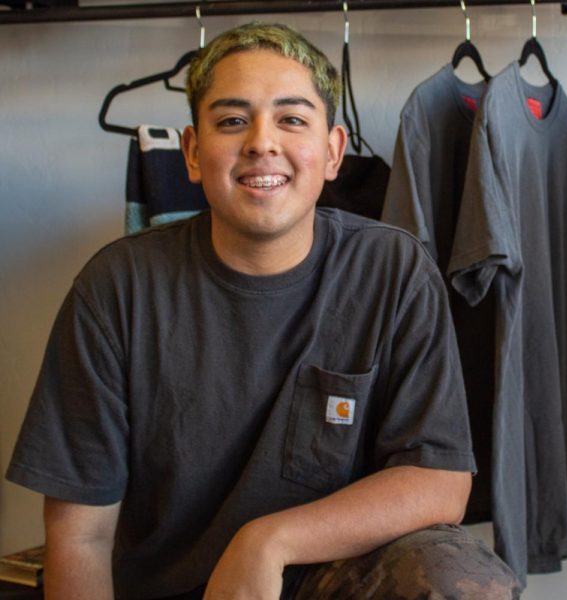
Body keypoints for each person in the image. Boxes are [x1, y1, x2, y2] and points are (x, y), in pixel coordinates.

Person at [5, 22, 519, 599]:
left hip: (336, 579)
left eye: (292, 119)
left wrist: (269, 541)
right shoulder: (115, 290)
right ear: (194, 154)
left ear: (332, 152)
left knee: (462, 581)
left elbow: (438, 480)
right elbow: (81, 536)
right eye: (231, 121)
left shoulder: (393, 271)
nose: (261, 142)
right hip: (177, 590)